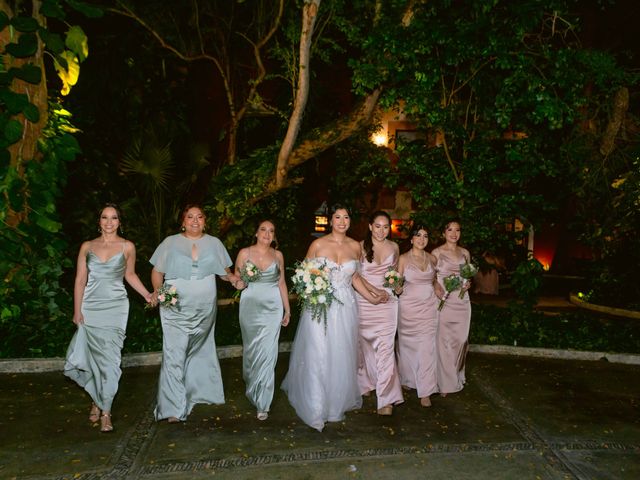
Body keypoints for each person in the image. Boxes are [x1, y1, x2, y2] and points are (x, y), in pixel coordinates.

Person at [282, 204, 387, 431]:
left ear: (350, 221)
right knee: (319, 353)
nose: (342, 221)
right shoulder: (318, 244)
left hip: (345, 308)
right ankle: (316, 405)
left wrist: (372, 297)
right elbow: (303, 274)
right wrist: (312, 291)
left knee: (340, 354)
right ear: (330, 221)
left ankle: (334, 404)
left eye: (346, 217)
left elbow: (355, 278)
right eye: (337, 217)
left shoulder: (354, 246)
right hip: (320, 308)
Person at [64, 203, 152, 433]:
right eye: (105, 217)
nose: (109, 222)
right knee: (93, 360)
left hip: (116, 307)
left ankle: (106, 411)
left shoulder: (127, 247)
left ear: (119, 222)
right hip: (91, 307)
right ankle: (96, 399)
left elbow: (130, 275)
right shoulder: (87, 246)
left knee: (111, 362)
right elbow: (80, 280)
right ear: (99, 221)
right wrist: (77, 310)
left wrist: (147, 294)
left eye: (114, 218)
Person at [149, 204, 240, 422]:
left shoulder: (214, 243)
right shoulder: (170, 242)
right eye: (190, 217)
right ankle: (172, 408)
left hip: (204, 307)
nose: (195, 220)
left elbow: (225, 273)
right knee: (174, 352)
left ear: (205, 221)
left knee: (198, 347)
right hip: (175, 305)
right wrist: (158, 291)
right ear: (183, 221)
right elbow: (157, 271)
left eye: (200, 216)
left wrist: (235, 279)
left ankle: (199, 391)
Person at [233, 220, 290, 421]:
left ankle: (263, 402)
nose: (267, 234)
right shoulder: (244, 253)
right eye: (263, 229)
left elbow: (282, 282)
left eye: (271, 231)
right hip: (250, 306)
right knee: (251, 351)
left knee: (268, 353)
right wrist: (239, 283)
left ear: (274, 236)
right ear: (256, 233)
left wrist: (287, 309)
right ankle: (252, 383)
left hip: (273, 307)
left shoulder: (278, 255)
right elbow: (237, 281)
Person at [356, 211, 404, 415]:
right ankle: (365, 383)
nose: (382, 231)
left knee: (385, 349)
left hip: (387, 302)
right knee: (364, 345)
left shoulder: (394, 247)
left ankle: (386, 399)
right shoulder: (359, 246)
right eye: (378, 226)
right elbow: (354, 274)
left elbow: (395, 276)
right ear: (370, 226)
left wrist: (398, 286)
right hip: (363, 299)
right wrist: (373, 293)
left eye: (386, 227)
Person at [395, 225, 441, 407]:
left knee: (427, 348)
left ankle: (426, 390)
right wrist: (396, 288)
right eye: (418, 236)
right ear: (412, 239)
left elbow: (434, 279)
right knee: (408, 348)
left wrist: (437, 285)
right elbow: (397, 282)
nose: (422, 239)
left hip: (429, 307)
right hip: (408, 309)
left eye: (425, 236)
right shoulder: (403, 259)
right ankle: (408, 379)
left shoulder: (432, 258)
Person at [432, 220, 472, 396]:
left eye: (458, 230)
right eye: (450, 230)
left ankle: (455, 374)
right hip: (444, 300)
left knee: (461, 340)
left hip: (462, 301)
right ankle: (445, 382)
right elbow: (430, 276)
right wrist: (436, 286)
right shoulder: (436, 253)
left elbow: (467, 275)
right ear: (444, 232)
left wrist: (468, 283)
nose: (454, 233)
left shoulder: (465, 253)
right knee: (444, 341)